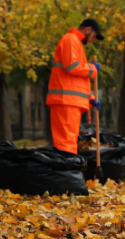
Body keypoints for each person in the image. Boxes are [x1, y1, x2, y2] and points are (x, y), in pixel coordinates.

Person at [46, 19, 104, 154]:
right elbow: (72, 67)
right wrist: (92, 69)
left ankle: (68, 171)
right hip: (65, 100)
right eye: (93, 37)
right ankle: (66, 172)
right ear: (88, 30)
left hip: (69, 101)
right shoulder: (70, 40)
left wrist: (90, 98)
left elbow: (77, 79)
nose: (92, 41)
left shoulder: (74, 42)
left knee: (69, 140)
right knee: (66, 141)